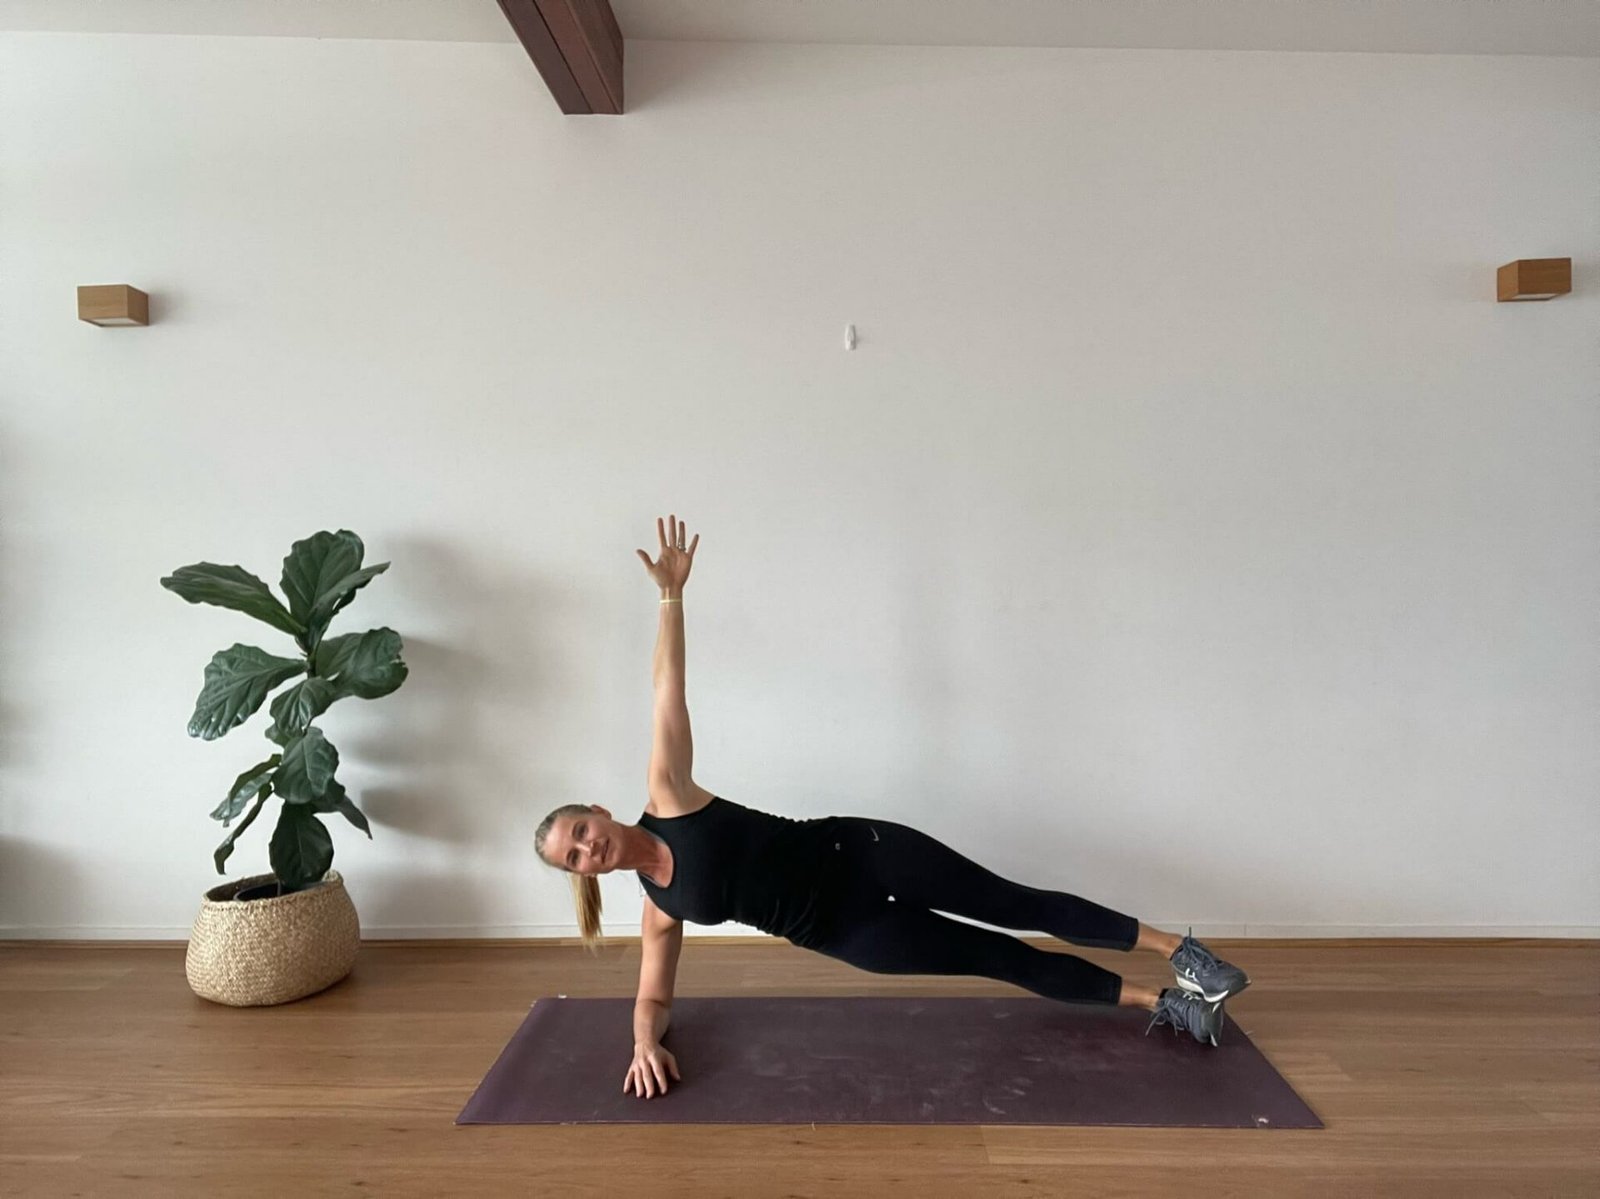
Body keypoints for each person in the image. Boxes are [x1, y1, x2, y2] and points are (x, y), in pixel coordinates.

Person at [535, 515, 1251, 1100]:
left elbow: (667, 689)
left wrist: (671, 598)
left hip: (863, 849)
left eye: (578, 831)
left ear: (597, 811)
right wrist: (642, 1041)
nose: (585, 849)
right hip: (853, 932)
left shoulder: (669, 794)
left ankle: (1184, 954)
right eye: (572, 857)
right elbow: (652, 998)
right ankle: (1167, 1004)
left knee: (1015, 903)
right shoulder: (662, 908)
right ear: (584, 872)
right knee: (999, 957)